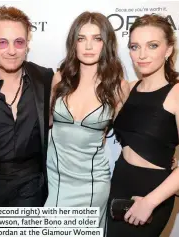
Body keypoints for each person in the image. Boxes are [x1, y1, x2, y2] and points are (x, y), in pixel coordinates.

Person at [106, 14, 179, 237]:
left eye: (152, 45)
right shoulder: (127, 89)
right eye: (135, 46)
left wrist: (150, 202)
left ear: (168, 50)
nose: (142, 55)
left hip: (153, 192)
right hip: (119, 182)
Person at [44, 11, 129, 229]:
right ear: (73, 43)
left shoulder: (118, 87)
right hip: (56, 181)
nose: (88, 46)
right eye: (81, 39)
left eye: (97, 39)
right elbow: (46, 124)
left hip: (92, 184)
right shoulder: (60, 79)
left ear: (106, 43)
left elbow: (129, 134)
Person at [0, 6, 54, 207]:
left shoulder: (46, 79)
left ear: (27, 44)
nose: (12, 51)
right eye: (3, 42)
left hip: (33, 188)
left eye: (19, 42)